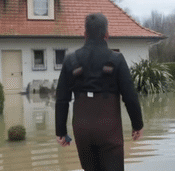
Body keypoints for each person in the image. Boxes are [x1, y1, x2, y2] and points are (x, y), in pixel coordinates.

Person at [55, 13, 144, 171]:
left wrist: (61, 131)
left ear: (85, 35)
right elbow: (130, 96)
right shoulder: (117, 59)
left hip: (82, 129)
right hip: (109, 129)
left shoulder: (70, 60)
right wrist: (137, 125)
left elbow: (62, 99)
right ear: (107, 35)